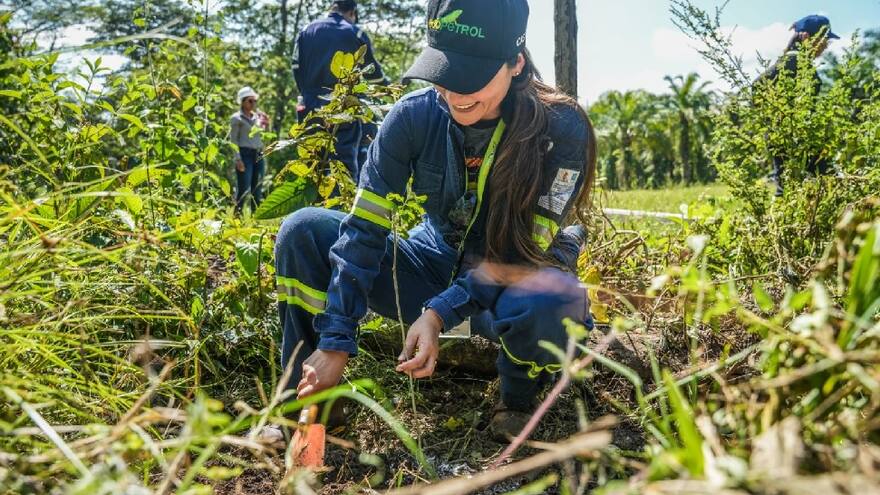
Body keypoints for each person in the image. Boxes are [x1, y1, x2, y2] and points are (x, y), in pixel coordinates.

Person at [275, 0, 596, 441]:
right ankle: (309, 406)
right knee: (303, 231)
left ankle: (519, 396)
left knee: (554, 297)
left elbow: (521, 256)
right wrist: (336, 339)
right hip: (430, 265)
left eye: (473, 76)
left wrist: (439, 314)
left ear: (516, 62)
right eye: (445, 73)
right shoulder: (413, 115)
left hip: (507, 284)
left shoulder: (563, 129)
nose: (456, 93)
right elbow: (363, 231)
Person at [293, 0, 387, 178]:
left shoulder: (306, 30)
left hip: (310, 105)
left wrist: (306, 93)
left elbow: (296, 67)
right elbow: (373, 73)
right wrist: (386, 86)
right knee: (341, 165)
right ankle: (337, 205)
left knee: (310, 162)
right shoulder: (355, 32)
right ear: (352, 12)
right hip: (343, 106)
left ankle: (311, 204)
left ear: (333, 8)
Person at [755, 15, 839, 195]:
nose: (825, 46)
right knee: (795, 184)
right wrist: (778, 120)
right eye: (823, 40)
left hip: (799, 136)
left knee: (798, 185)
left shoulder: (799, 62)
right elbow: (757, 87)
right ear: (807, 37)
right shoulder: (793, 61)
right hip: (791, 137)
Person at [230, 86, 269, 213]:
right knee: (243, 189)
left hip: (258, 154)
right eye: (250, 101)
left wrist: (267, 124)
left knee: (257, 190)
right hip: (244, 155)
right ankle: (237, 218)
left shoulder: (258, 117)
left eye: (254, 101)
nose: (253, 103)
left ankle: (255, 218)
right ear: (242, 101)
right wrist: (238, 159)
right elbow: (233, 140)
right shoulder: (236, 118)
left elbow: (265, 136)